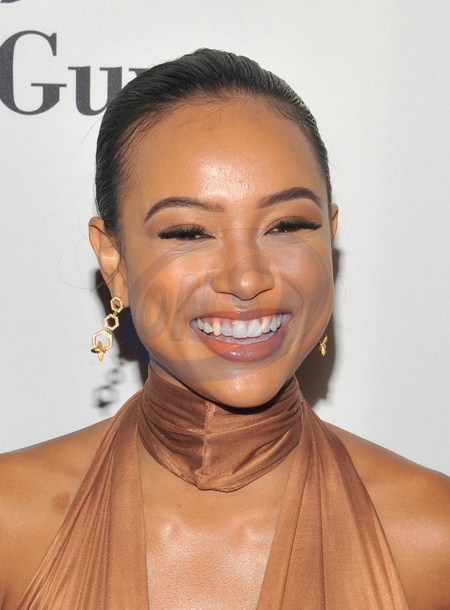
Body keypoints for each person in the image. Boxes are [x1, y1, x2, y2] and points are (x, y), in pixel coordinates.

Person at [0, 49, 449, 610]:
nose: (247, 278)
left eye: (287, 225)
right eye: (189, 232)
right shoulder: (11, 522)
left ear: (329, 238)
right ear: (114, 261)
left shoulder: (432, 534)